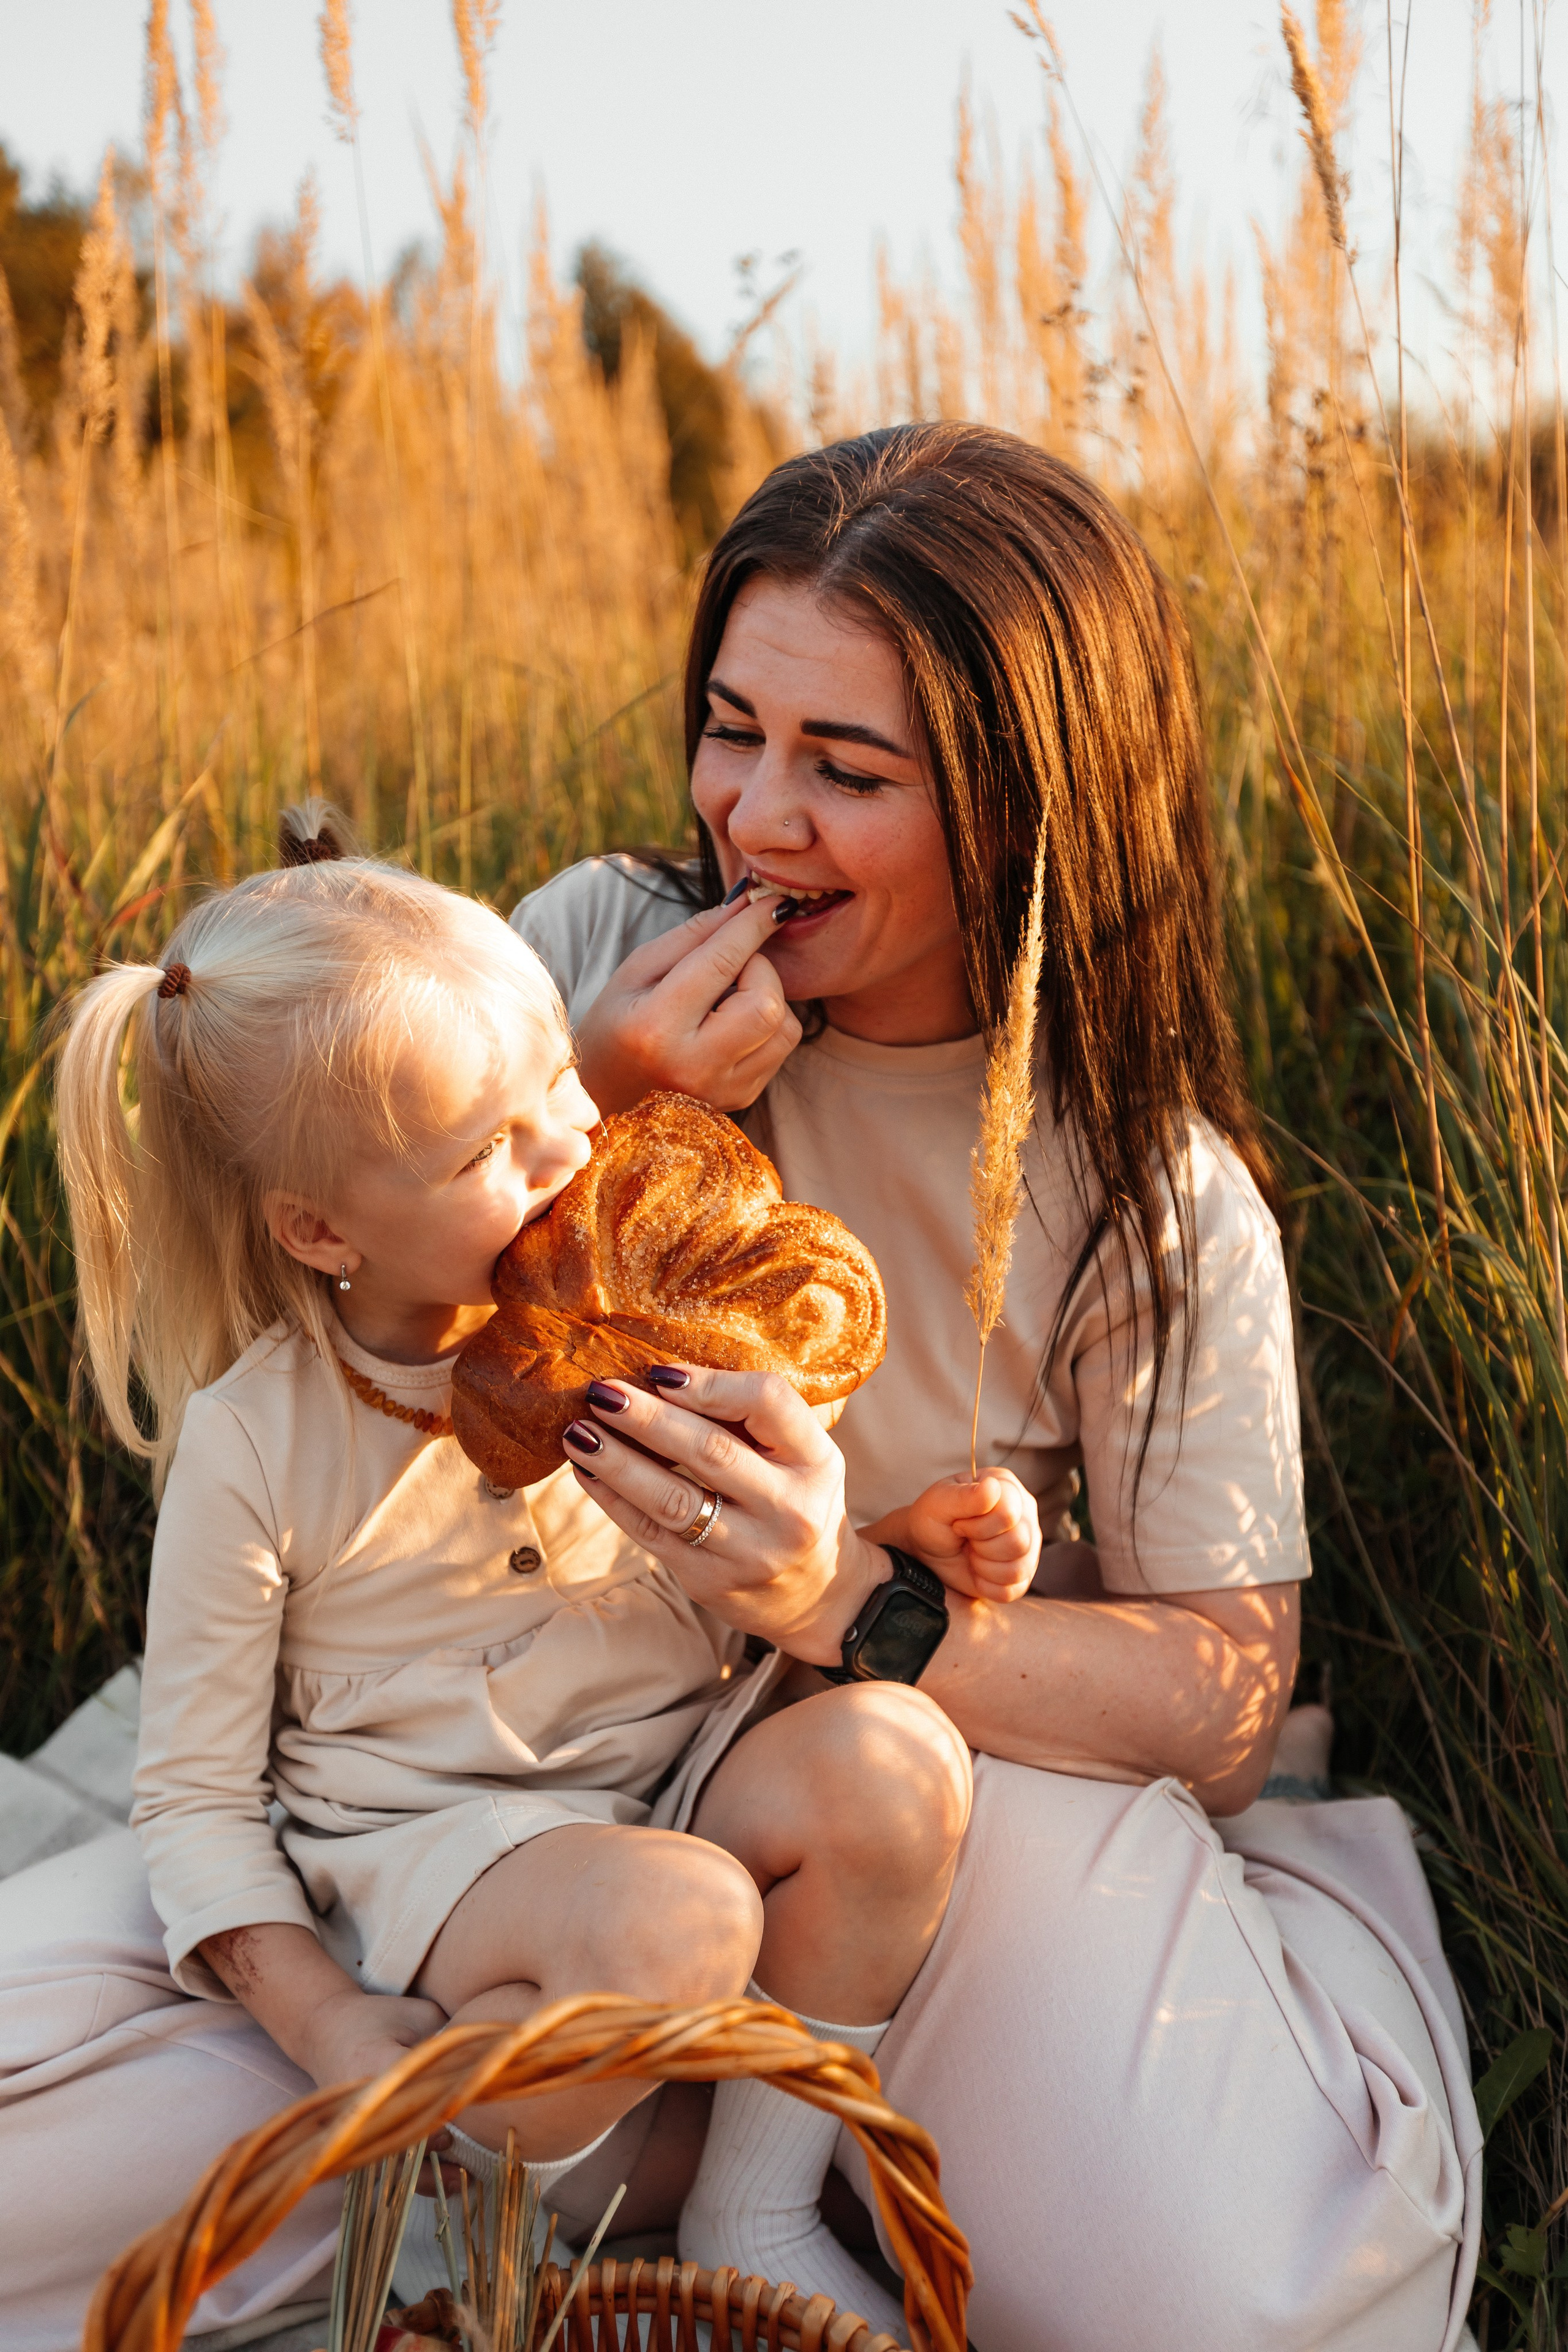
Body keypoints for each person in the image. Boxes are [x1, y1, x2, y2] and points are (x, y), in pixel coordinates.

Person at [506, 423, 1482, 2352]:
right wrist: (587, 1110)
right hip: (545, 1741)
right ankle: (700, 2183)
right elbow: (349, 1330)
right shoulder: (590, 959)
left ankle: (755, 2176)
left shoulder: (1145, 1182)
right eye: (732, 730)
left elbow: (1221, 1698)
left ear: (1025, 804)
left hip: (924, 1793)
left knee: (1241, 2313)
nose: (753, 822)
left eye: (845, 772)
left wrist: (836, 1605)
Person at [0, 809, 1018, 2346]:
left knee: (897, 1762)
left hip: (672, 1776)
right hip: (435, 1862)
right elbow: (194, 1801)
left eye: (559, 1077)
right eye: (489, 1149)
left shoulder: (621, 1306)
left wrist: (901, 1534)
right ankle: (460, 2211)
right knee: (671, 1921)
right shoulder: (258, 1436)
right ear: (322, 1229)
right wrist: (325, 2018)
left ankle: (750, 2200)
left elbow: (748, 1524)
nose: (567, 1152)